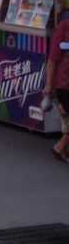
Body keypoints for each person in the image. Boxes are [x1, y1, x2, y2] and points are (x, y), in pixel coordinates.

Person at [42, 18, 69, 162]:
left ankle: (60, 146)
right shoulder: (64, 26)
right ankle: (60, 146)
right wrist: (48, 85)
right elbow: (52, 58)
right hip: (65, 84)